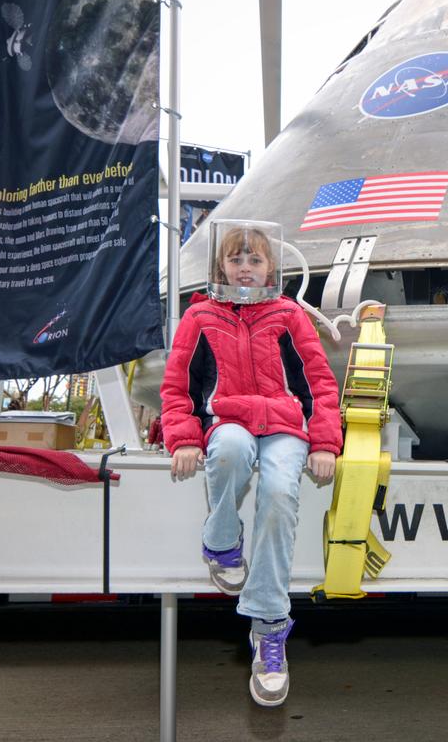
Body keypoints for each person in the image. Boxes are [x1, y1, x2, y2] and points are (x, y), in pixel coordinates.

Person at [160, 219, 342, 708]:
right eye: (235, 259)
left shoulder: (288, 315)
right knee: (231, 450)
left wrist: (324, 442)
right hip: (231, 421)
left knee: (281, 494)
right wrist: (182, 438)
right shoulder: (199, 318)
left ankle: (269, 629)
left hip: (285, 426)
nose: (244, 267)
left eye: (254, 259)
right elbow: (178, 388)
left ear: (270, 268)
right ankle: (221, 542)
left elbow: (321, 384)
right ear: (221, 265)